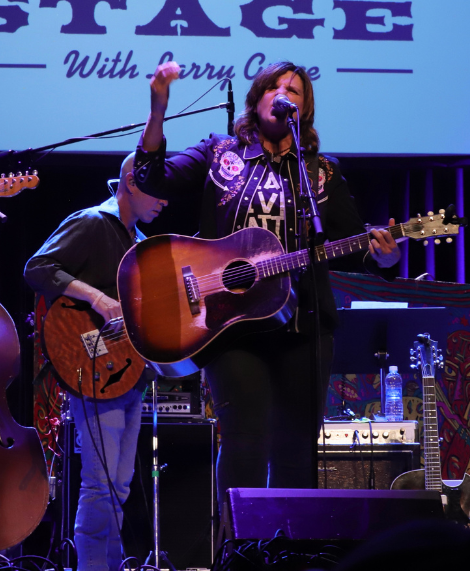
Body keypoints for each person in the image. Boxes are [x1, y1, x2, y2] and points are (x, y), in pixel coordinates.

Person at [132, 61, 401, 506]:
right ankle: (241, 553)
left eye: (295, 91)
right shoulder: (219, 154)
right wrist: (158, 111)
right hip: (229, 324)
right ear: (257, 101)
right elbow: (151, 177)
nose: (285, 94)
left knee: (296, 455)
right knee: (245, 446)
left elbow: (355, 246)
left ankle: (289, 555)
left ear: (303, 110)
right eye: (276, 86)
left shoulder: (323, 173)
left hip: (303, 326)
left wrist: (386, 255)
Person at [24, 154, 165, 571]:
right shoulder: (91, 222)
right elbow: (37, 268)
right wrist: (97, 298)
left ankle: (108, 563)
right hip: (92, 362)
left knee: (118, 485)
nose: (165, 202)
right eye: (157, 192)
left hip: (128, 373)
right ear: (130, 183)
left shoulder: (138, 241)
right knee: (100, 484)